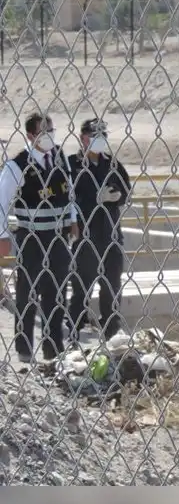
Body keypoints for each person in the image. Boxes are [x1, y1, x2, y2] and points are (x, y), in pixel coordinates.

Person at [0, 113, 78, 362]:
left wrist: (73, 220)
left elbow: (69, 191)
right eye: (43, 132)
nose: (49, 136)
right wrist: (2, 235)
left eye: (51, 130)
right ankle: (24, 348)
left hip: (57, 235)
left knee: (56, 292)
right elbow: (1, 203)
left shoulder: (59, 157)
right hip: (31, 236)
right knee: (27, 291)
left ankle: (52, 348)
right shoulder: (17, 165)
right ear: (30, 135)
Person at [68, 119, 131, 343]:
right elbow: (69, 201)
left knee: (112, 287)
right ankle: (73, 334)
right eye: (96, 135)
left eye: (104, 135)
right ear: (83, 138)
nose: (100, 140)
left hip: (111, 235)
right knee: (81, 289)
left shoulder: (111, 163)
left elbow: (125, 188)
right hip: (86, 237)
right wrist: (96, 200)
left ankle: (111, 335)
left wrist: (117, 197)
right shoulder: (71, 165)